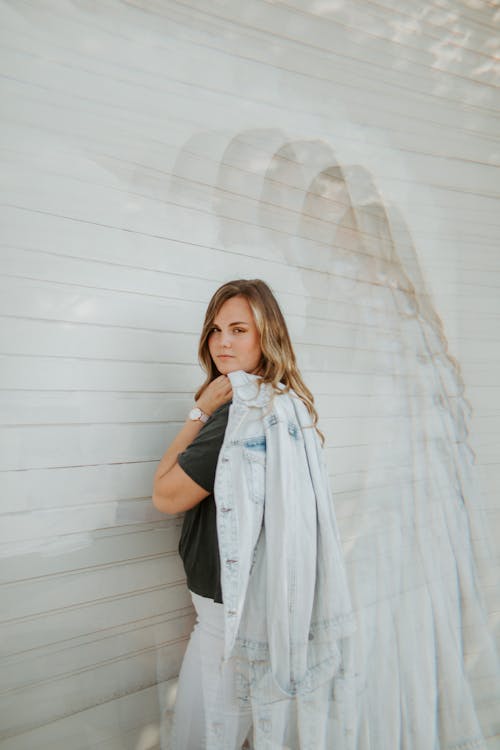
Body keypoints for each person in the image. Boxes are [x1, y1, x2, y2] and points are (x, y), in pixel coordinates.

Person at [152, 279, 355, 749]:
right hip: (272, 608)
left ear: (267, 334)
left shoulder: (235, 416)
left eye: (239, 329)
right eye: (216, 329)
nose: (223, 342)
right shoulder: (287, 402)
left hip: (228, 616)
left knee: (202, 736)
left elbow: (165, 495)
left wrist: (197, 413)